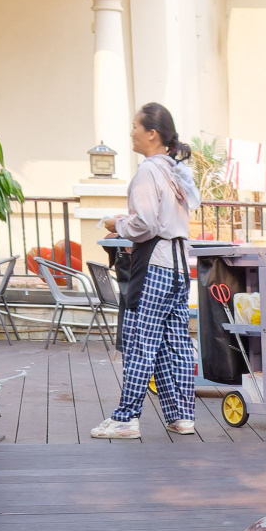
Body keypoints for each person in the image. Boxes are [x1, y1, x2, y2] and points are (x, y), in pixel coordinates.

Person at [91, 102, 200, 440]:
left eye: (135, 127)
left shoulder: (149, 171)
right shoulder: (174, 170)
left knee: (141, 341)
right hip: (178, 267)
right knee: (175, 343)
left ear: (152, 133)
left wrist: (118, 224)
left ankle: (126, 418)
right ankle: (181, 416)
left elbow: (146, 224)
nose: (131, 133)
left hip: (154, 264)